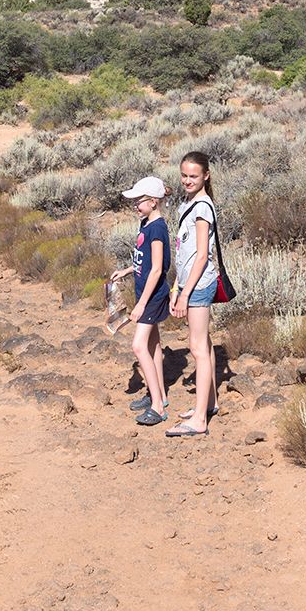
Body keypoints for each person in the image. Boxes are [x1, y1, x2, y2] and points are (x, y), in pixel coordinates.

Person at [110, 176, 171, 426]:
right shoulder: (146, 223)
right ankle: (159, 395)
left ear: (153, 202)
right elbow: (144, 262)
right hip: (146, 292)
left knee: (139, 346)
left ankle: (158, 408)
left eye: (139, 201)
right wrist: (127, 271)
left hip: (152, 296)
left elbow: (157, 270)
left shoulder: (157, 228)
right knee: (154, 346)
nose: (135, 205)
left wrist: (141, 304)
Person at [168, 151, 220, 437]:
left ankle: (199, 419)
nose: (188, 181)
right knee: (205, 345)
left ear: (205, 176)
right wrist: (177, 286)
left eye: (193, 176)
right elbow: (184, 254)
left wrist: (185, 294)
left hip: (199, 286)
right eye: (184, 175)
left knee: (197, 348)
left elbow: (201, 256)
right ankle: (208, 403)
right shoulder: (190, 202)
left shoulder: (202, 207)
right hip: (191, 283)